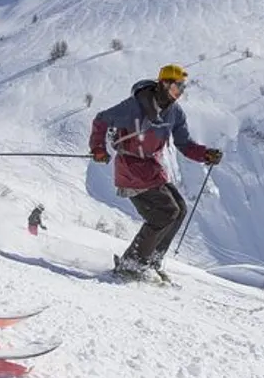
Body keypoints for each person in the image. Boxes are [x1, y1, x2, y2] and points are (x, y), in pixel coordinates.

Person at [88, 65, 222, 278]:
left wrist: (205, 154)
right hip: (130, 169)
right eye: (177, 87)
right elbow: (101, 119)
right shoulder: (134, 106)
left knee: (179, 210)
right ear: (164, 84)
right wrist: (97, 149)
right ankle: (131, 264)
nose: (180, 93)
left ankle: (152, 260)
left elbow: (185, 144)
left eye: (182, 89)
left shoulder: (174, 112)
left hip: (151, 168)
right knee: (165, 212)